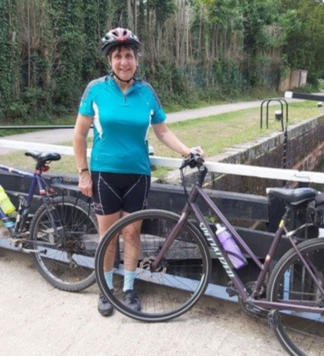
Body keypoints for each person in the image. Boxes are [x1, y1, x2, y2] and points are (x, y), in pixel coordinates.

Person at [73, 27, 205, 317]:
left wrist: (187, 151)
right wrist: (83, 172)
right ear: (110, 60)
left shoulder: (147, 93)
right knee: (107, 236)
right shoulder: (95, 89)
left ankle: (130, 289)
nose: (124, 61)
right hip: (105, 174)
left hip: (137, 176)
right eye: (118, 56)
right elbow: (80, 135)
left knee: (132, 235)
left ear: (137, 59)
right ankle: (106, 289)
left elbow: (162, 131)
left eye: (129, 55)